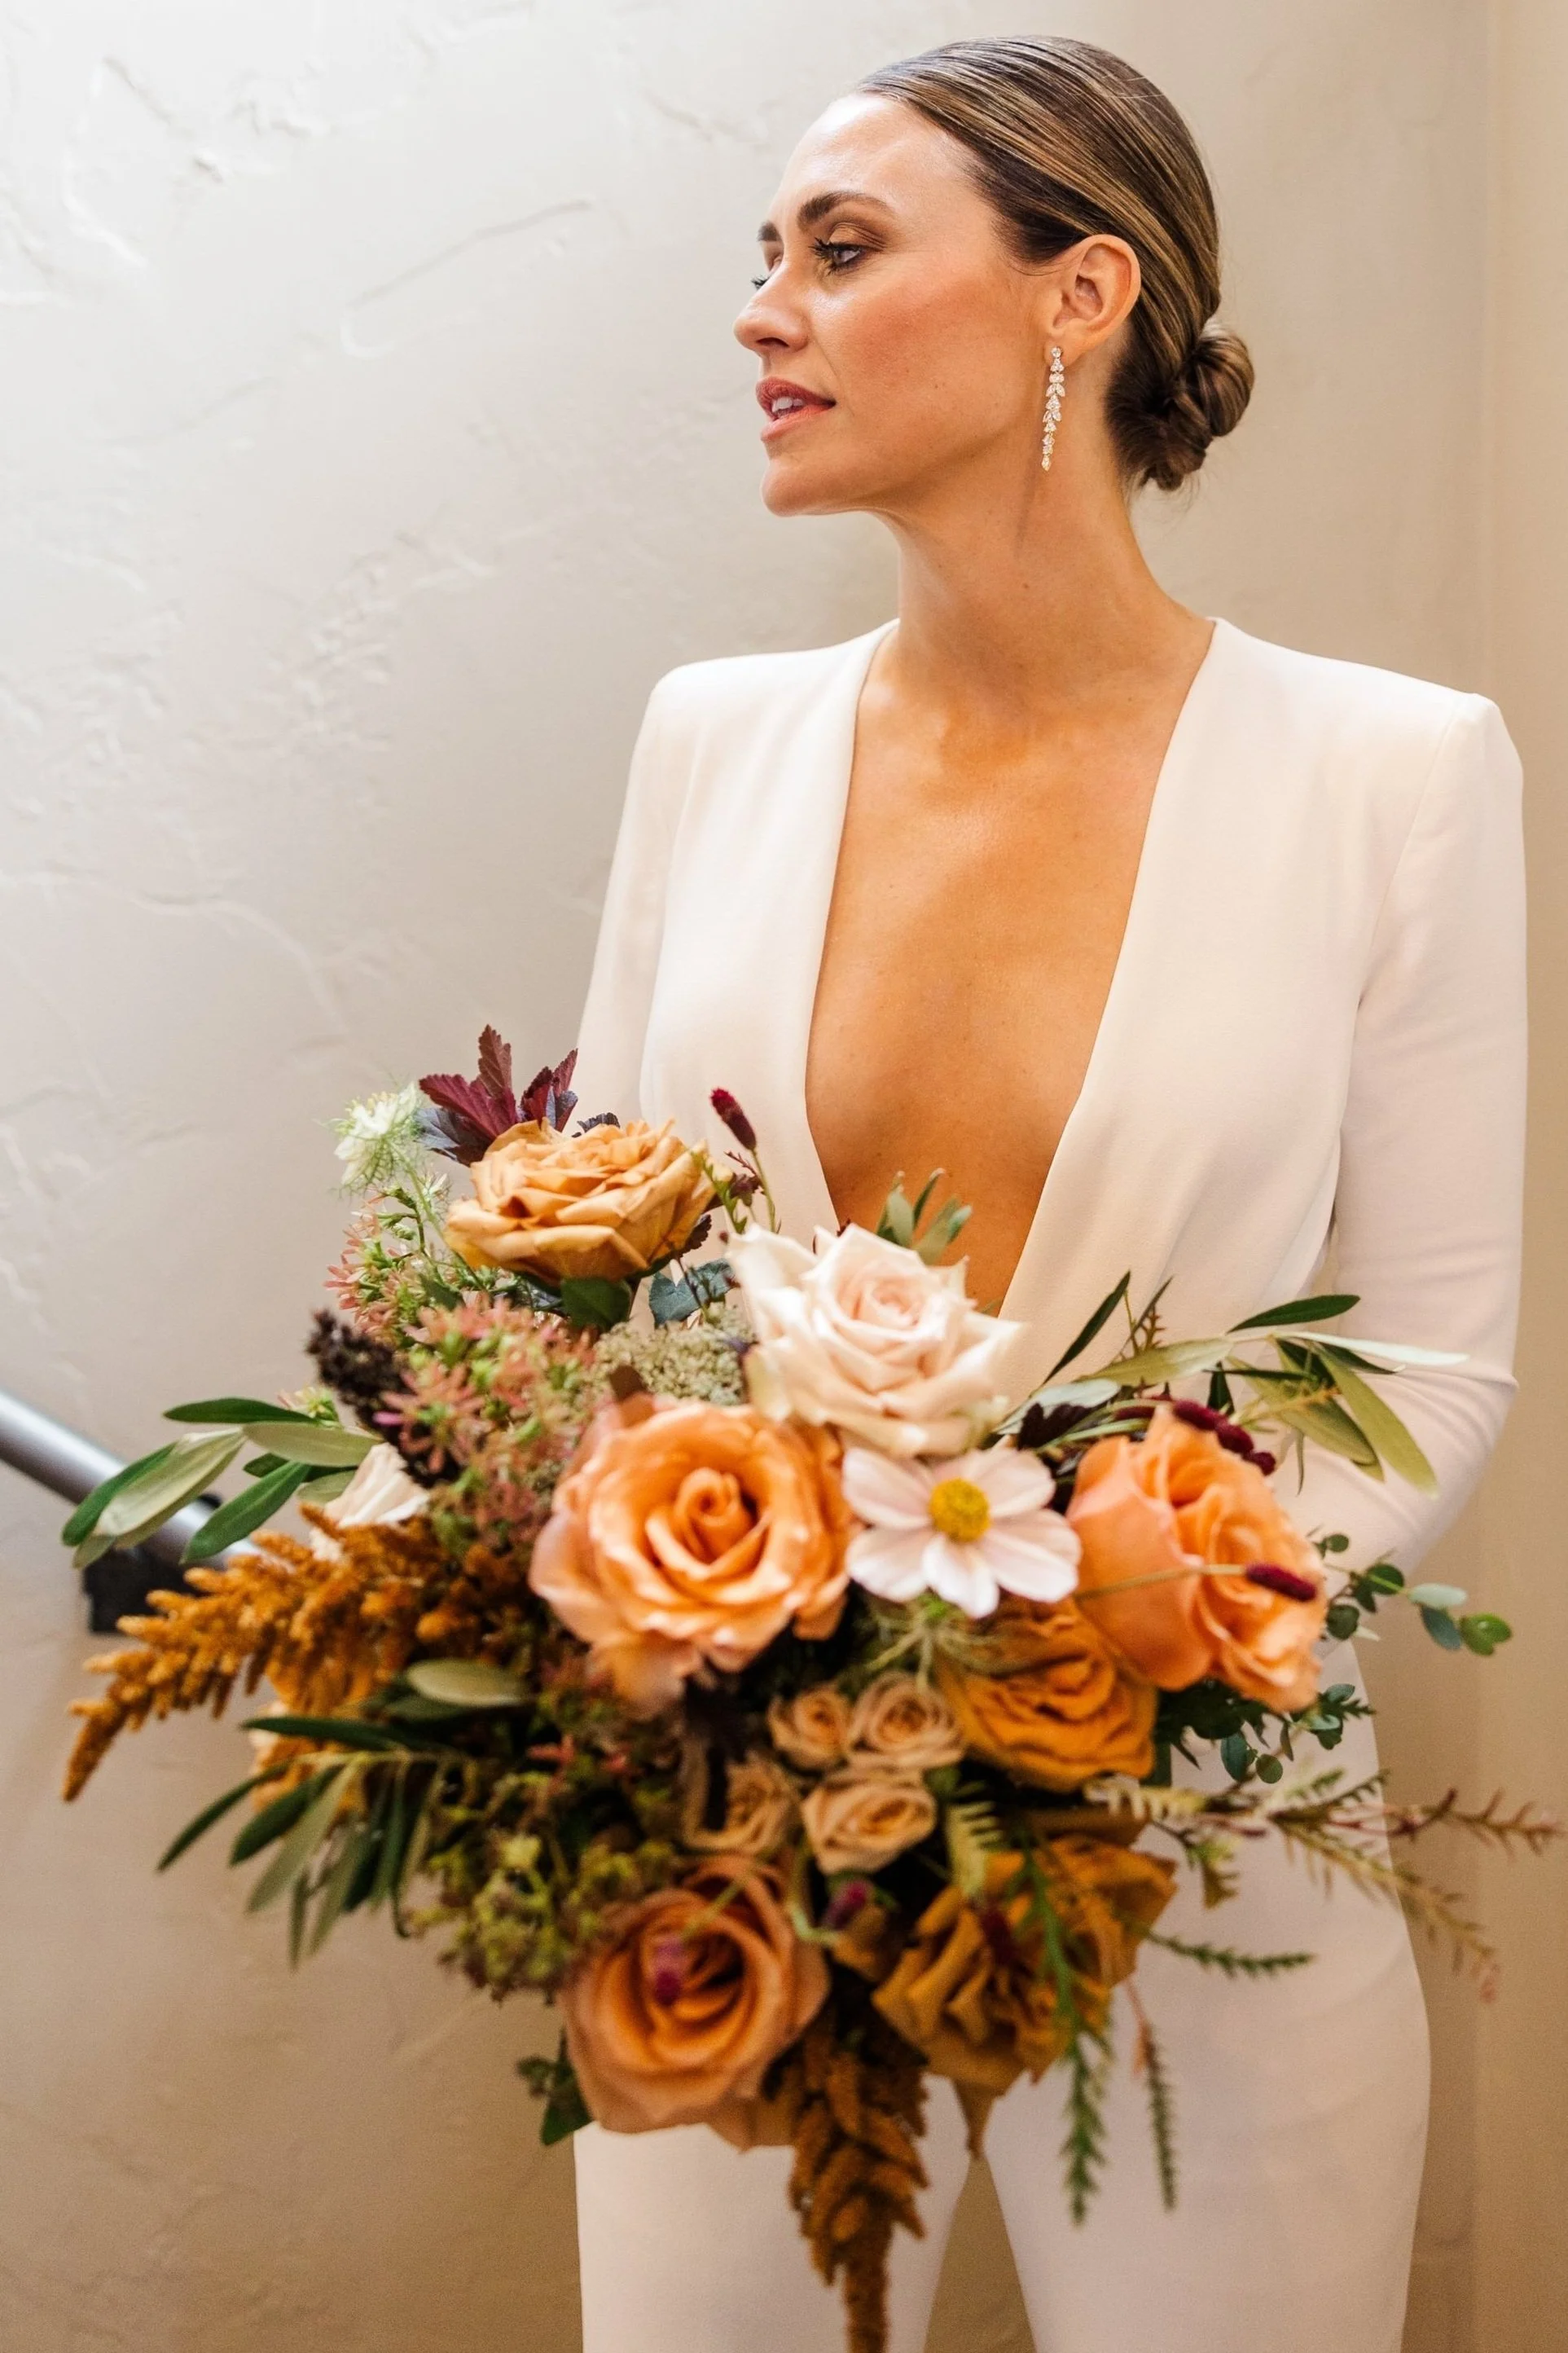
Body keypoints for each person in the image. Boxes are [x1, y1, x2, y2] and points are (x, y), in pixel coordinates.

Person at [567, 36, 1525, 2353]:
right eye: (764, 256)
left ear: (1079, 296)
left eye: (841, 248)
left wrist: (1128, 1631)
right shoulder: (712, 737)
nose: (761, 310)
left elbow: (1430, 1339)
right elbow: (607, 1258)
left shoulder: (1393, 774)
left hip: (1201, 1842)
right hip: (746, 1840)